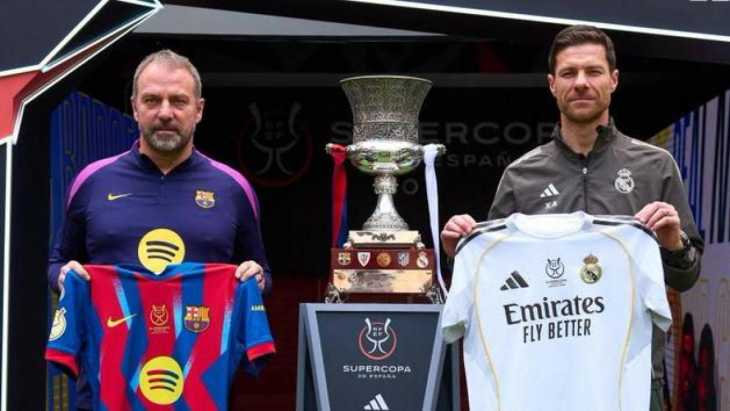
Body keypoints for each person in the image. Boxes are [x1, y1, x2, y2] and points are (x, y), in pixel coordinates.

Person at [441, 25, 703, 411]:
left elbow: (687, 278)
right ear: (552, 84)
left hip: (630, 381)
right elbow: (493, 283)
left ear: (613, 80)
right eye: (569, 73)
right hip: (541, 383)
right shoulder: (521, 175)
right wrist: (460, 253)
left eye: (593, 71)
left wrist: (674, 244)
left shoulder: (655, 166)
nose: (581, 83)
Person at [47, 49, 271, 410]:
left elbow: (263, 273)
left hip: (198, 395)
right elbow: (58, 262)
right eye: (152, 100)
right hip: (107, 394)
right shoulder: (92, 181)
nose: (165, 112)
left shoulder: (233, 188)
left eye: (178, 101)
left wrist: (256, 277)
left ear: (199, 109)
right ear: (135, 107)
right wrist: (63, 276)